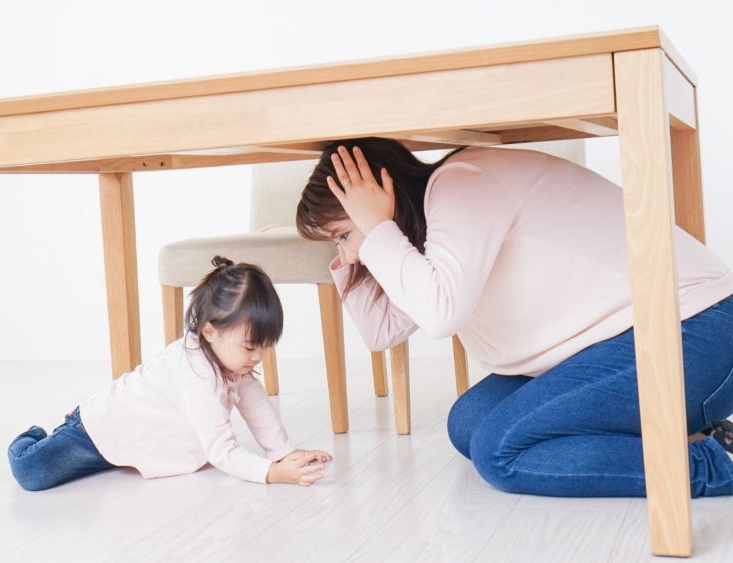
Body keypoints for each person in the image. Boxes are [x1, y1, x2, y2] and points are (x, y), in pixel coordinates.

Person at [296, 137, 733, 497]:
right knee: (468, 423)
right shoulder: (428, 226)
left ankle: (719, 463)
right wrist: (358, 246)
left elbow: (439, 315)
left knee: (498, 452)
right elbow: (380, 330)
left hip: (696, 330)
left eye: (345, 234)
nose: (354, 250)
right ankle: (675, 432)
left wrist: (375, 229)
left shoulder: (463, 186)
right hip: (629, 342)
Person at [8, 256, 332, 491]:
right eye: (250, 348)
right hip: (95, 429)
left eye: (266, 346)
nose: (259, 357)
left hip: (131, 440)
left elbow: (259, 410)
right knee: (32, 472)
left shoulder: (232, 363)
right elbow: (222, 451)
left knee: (96, 464)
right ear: (209, 332)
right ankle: (35, 435)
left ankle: (91, 446)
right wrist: (270, 473)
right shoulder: (198, 374)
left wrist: (284, 453)